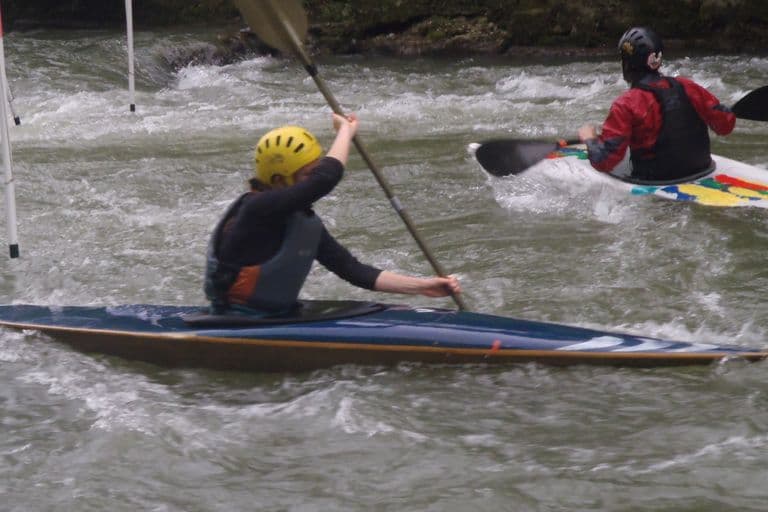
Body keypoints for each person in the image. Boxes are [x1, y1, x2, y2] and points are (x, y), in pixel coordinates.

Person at [204, 113, 461, 314]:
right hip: (239, 318)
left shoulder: (303, 222)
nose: (311, 181)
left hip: (275, 316)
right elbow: (325, 179)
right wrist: (345, 132)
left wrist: (423, 286)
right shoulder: (257, 209)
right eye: (307, 174)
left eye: (313, 172)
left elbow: (352, 270)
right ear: (279, 180)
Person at [578, 26, 736, 183]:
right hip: (701, 170)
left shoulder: (626, 104)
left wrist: (590, 139)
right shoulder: (687, 86)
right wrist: (725, 111)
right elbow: (725, 125)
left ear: (627, 63)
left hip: (657, 180)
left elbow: (604, 160)